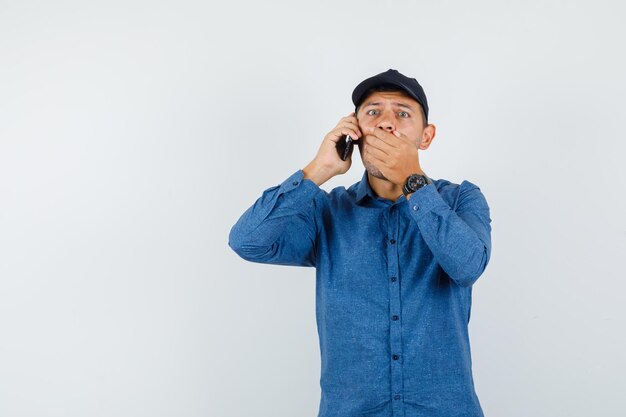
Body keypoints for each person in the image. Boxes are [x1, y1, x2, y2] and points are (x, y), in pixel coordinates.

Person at [229, 69, 492, 417]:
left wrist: (413, 181)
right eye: (373, 112)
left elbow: (468, 265)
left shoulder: (461, 199)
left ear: (425, 136)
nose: (386, 123)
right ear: (354, 131)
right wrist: (319, 169)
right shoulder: (327, 211)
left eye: (402, 113)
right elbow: (248, 241)